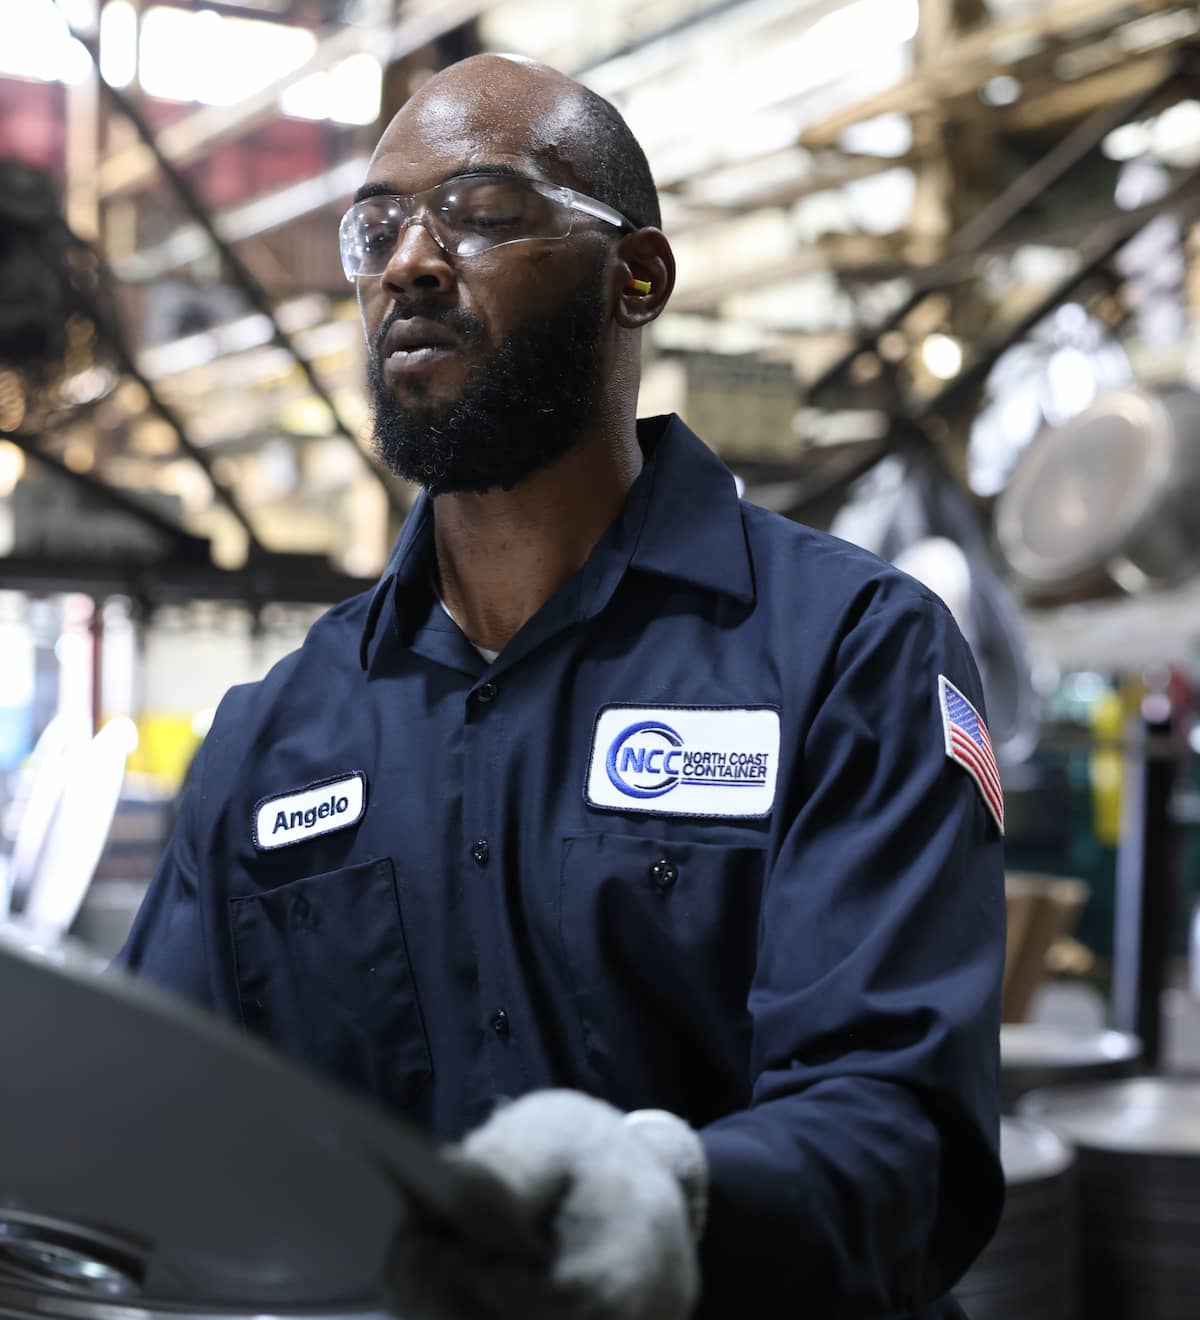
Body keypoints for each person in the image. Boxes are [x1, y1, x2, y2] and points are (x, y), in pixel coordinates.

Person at [117, 53, 1006, 1320]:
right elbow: (163, 1123)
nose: (411, 262)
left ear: (634, 278)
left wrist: (685, 1198)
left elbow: (905, 1127)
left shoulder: (848, 654)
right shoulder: (277, 736)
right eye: (376, 230)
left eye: (480, 213)